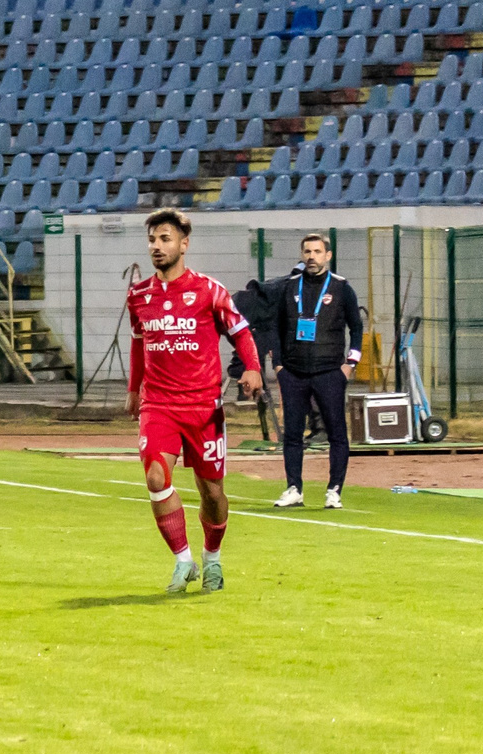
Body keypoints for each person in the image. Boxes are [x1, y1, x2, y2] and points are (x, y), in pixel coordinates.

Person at [127, 208, 262, 594]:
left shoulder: (209, 290)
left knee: (212, 492)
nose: (157, 246)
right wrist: (134, 389)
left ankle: (213, 558)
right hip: (159, 405)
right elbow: (139, 345)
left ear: (184, 244)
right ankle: (183, 560)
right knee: (156, 476)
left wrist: (251, 368)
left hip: (203, 407)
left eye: (165, 239)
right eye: (152, 239)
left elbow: (240, 331)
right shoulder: (139, 294)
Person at [269, 232, 364, 511]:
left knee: (336, 433)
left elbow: (356, 327)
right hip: (293, 373)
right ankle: (294, 489)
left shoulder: (342, 288)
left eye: (317, 251)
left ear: (328, 256)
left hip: (330, 372)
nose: (311, 256)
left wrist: (350, 364)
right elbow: (275, 327)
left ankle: (334, 490)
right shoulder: (288, 288)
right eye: (307, 251)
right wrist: (278, 366)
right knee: (293, 434)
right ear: (302, 255)